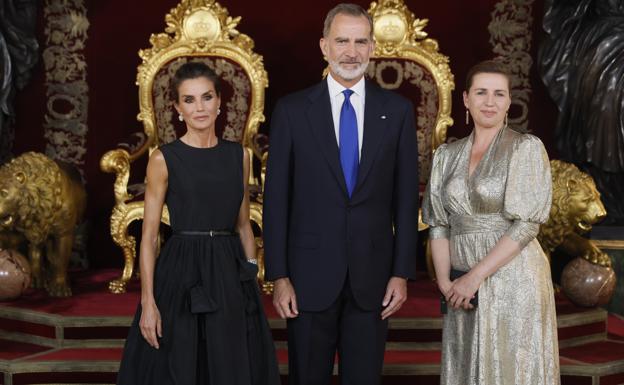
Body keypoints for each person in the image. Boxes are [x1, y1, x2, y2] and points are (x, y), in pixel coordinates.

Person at [263, 3, 419, 385]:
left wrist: (401, 272)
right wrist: (279, 276)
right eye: (342, 41)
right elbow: (276, 200)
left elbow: (405, 198)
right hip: (308, 277)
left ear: (371, 47)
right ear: (324, 46)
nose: (351, 51)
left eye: (360, 41)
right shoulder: (292, 111)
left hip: (373, 279)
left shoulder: (397, 112)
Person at [117, 62, 280, 385]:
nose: (200, 107)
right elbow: (149, 236)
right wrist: (148, 302)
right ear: (177, 108)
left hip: (228, 270)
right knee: (179, 365)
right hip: (180, 270)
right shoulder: (163, 159)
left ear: (220, 101)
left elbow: (244, 225)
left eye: (206, 97)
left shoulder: (240, 156)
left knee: (229, 364)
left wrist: (251, 278)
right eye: (189, 100)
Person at [423, 60, 560, 385]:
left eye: (498, 94)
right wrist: (445, 283)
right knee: (467, 364)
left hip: (513, 274)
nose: (490, 101)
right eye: (481, 92)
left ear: (509, 101)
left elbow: (527, 224)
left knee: (510, 367)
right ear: (466, 99)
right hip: (459, 282)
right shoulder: (446, 155)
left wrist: (475, 277)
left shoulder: (525, 148)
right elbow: (439, 224)